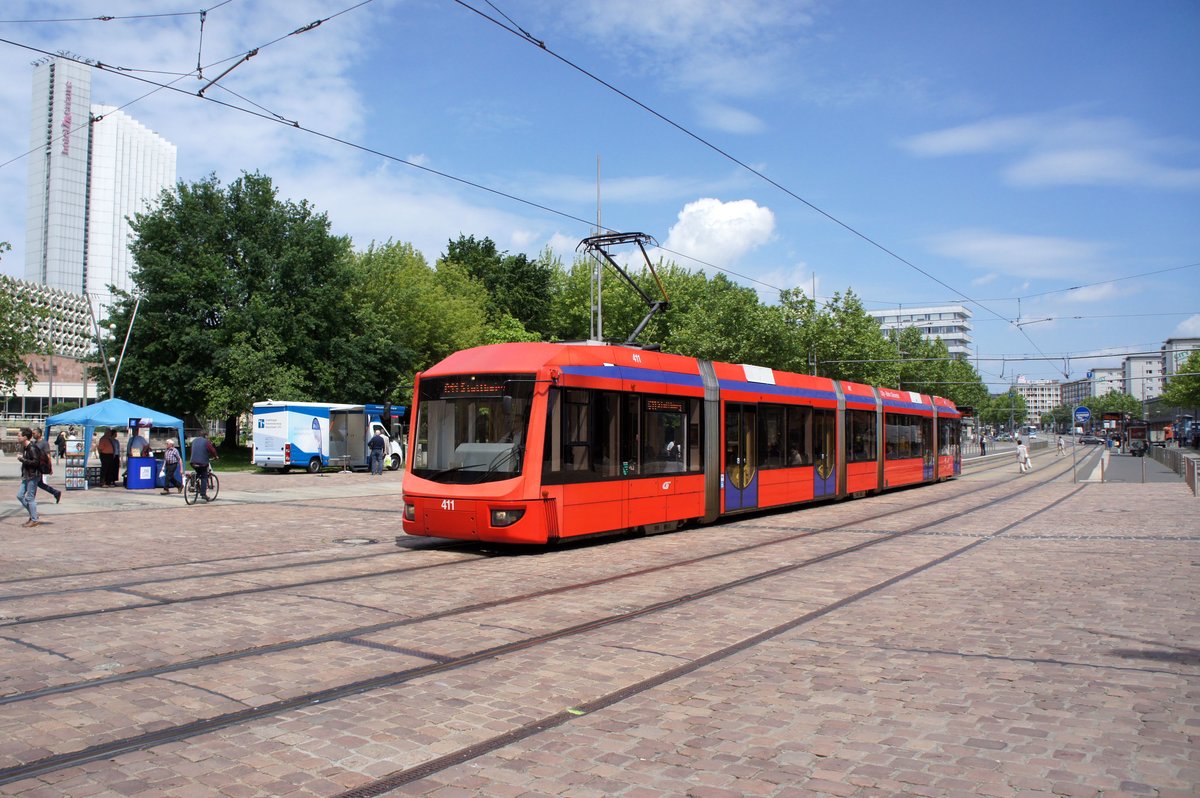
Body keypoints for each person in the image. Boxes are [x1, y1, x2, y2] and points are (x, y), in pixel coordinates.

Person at [16, 428, 41, 527]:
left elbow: (35, 462)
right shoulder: (26, 447)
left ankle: (34, 519)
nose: (18, 437)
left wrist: (22, 459)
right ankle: (33, 514)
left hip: (33, 475)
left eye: (19, 436)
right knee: (20, 495)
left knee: (30, 498)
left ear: (25, 437)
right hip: (27, 475)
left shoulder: (32, 448)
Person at [30, 429, 62, 504]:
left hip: (40, 467)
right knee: (39, 483)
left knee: (35, 482)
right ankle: (55, 492)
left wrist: (50, 468)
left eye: (34, 433)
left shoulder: (44, 443)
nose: (33, 435)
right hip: (35, 466)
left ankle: (31, 500)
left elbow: (48, 456)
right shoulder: (34, 443)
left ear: (39, 434)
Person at [189, 430, 219, 501]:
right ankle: (203, 494)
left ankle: (193, 484)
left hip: (193, 461)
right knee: (204, 476)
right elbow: (212, 450)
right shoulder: (206, 442)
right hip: (202, 462)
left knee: (197, 473)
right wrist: (215, 456)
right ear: (205, 436)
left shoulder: (194, 441)